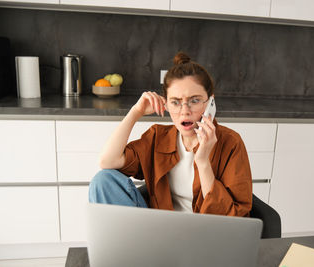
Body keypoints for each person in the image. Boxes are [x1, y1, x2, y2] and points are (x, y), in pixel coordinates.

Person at [89, 52, 252, 217]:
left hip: (206, 234)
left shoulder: (231, 143)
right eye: (175, 102)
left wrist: (203, 162)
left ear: (211, 102)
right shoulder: (157, 137)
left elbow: (235, 218)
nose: (184, 111)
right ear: (165, 104)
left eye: (194, 100)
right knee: (103, 180)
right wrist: (135, 112)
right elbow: (107, 161)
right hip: (159, 232)